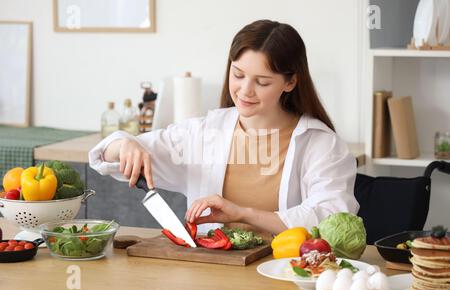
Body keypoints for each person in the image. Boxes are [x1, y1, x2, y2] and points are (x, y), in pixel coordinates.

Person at [89, 19, 359, 237]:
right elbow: (107, 157)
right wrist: (126, 145)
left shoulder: (320, 144)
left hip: (285, 274)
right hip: (211, 275)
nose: (245, 91)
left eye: (262, 82)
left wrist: (242, 214)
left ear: (289, 83)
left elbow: (331, 217)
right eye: (238, 74)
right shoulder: (204, 133)